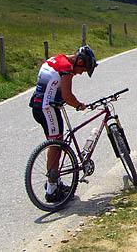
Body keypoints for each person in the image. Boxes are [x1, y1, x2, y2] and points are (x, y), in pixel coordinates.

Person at [29, 45, 97, 202]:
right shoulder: (66, 68)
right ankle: (52, 190)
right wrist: (79, 105)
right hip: (48, 109)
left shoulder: (56, 59)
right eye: (83, 69)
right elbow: (67, 96)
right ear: (79, 61)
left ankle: (54, 181)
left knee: (55, 143)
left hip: (38, 106)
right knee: (56, 146)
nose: (81, 73)